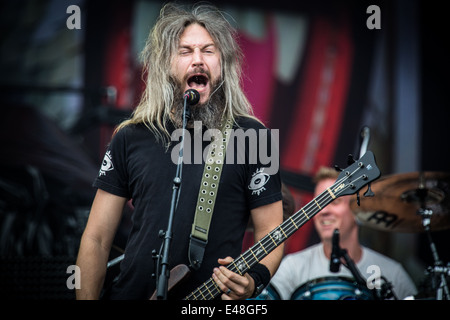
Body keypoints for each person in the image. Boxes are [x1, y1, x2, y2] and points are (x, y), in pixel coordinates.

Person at [75, 3, 284, 300]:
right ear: (166, 65)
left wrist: (254, 281)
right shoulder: (130, 136)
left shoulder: (252, 137)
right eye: (185, 52)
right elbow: (95, 238)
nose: (198, 61)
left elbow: (272, 232)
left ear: (222, 64)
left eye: (208, 51)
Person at [269, 166, 418, 300]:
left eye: (335, 202)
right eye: (317, 205)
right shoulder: (292, 267)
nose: (324, 211)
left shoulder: (392, 273)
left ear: (356, 210)